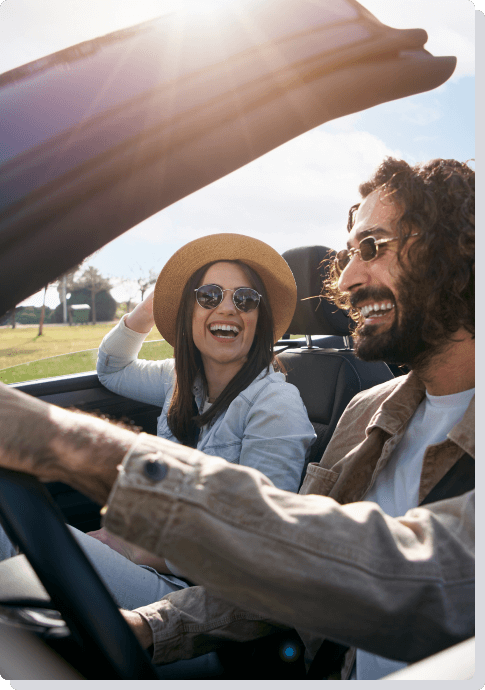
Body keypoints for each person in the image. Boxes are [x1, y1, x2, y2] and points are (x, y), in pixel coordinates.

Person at [0, 158, 474, 680]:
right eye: (347, 253)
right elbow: (294, 573)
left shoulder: (277, 401)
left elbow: (417, 575)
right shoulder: (368, 414)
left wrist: (70, 445)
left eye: (372, 248)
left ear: (459, 248)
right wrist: (150, 629)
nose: (346, 278)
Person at [0, 234, 316, 616]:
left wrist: (134, 547)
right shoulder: (179, 379)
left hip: (195, 597)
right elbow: (112, 368)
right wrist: (154, 304)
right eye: (209, 296)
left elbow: (257, 543)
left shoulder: (276, 404)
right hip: (148, 558)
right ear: (189, 311)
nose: (229, 308)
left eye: (245, 299)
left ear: (258, 319)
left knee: (31, 536)